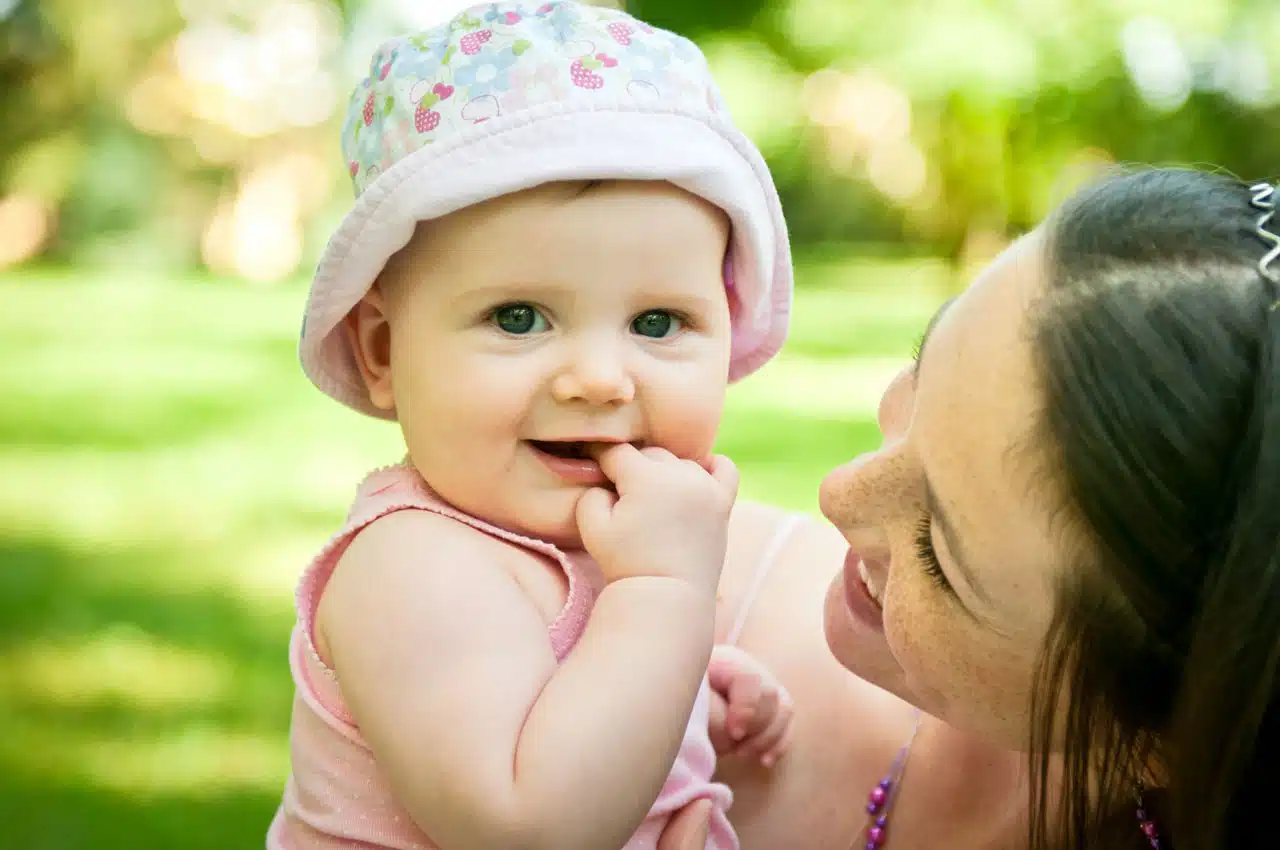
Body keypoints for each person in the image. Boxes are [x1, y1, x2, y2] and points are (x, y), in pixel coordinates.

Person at [267, 2, 801, 849]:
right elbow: (530, 826)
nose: (598, 378)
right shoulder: (411, 569)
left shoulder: (584, 563)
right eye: (518, 317)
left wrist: (688, 689)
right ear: (380, 349)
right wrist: (665, 602)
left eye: (659, 323)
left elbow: (554, 682)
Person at [664, 167, 1280, 850]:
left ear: (1161, 744)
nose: (836, 493)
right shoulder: (655, 605)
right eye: (923, 372)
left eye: (936, 550)